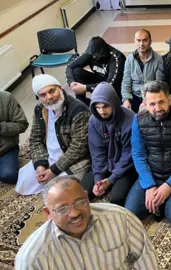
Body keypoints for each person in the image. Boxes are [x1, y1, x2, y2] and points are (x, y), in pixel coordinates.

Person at [15, 176, 159, 269]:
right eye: (63, 209)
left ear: (87, 196)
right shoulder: (32, 260)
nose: (75, 213)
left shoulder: (121, 219)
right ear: (48, 213)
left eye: (80, 202)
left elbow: (144, 257)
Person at [125, 81, 171, 224]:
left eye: (161, 102)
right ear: (145, 104)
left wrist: (169, 185)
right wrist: (149, 185)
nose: (157, 108)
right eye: (152, 104)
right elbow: (138, 154)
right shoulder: (138, 120)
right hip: (152, 173)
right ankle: (159, 200)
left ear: (169, 99)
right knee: (132, 213)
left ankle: (166, 201)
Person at [16, 74, 90, 195]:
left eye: (52, 91)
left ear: (60, 88)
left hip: (74, 160)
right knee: (23, 184)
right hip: (49, 157)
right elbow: (35, 139)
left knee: (57, 192)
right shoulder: (40, 109)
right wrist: (40, 165)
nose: (49, 97)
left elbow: (79, 148)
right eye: (43, 95)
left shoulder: (78, 109)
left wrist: (53, 171)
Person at [81, 83, 136, 206]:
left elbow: (128, 156)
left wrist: (111, 180)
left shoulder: (131, 120)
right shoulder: (94, 121)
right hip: (106, 165)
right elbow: (97, 153)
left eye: (105, 106)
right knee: (81, 192)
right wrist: (98, 180)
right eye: (98, 107)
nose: (102, 111)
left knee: (117, 199)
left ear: (114, 103)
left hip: (127, 168)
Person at [66, 36, 126, 105]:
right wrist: (71, 82)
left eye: (97, 56)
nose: (94, 57)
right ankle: (82, 105)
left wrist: (86, 88)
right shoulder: (90, 54)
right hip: (99, 81)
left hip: (115, 88)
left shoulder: (117, 58)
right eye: (93, 55)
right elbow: (70, 67)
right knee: (76, 72)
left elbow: (109, 84)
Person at [122, 29, 162, 113]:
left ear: (150, 41)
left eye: (145, 40)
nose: (141, 44)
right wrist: (126, 100)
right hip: (134, 97)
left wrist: (146, 102)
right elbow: (126, 82)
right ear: (134, 41)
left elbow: (159, 84)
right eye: (138, 40)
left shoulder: (158, 59)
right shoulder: (129, 59)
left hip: (152, 96)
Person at [0, 91, 28, 184]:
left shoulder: (6, 97)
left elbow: (22, 124)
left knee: (9, 175)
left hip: (6, 148)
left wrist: (2, 127)